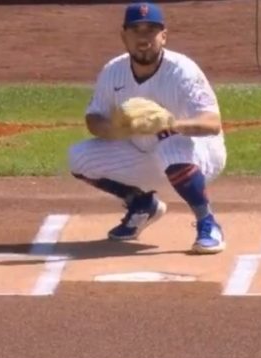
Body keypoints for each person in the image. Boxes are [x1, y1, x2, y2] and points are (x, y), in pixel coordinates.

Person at [67, 2, 229, 254]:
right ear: (124, 36)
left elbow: (212, 123)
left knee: (167, 137)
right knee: (78, 157)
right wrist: (113, 130)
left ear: (163, 36)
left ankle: (208, 222)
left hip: (199, 156)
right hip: (144, 155)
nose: (143, 38)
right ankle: (142, 205)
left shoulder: (182, 71)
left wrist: (170, 124)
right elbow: (93, 119)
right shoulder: (113, 71)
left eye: (151, 30)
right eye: (135, 31)